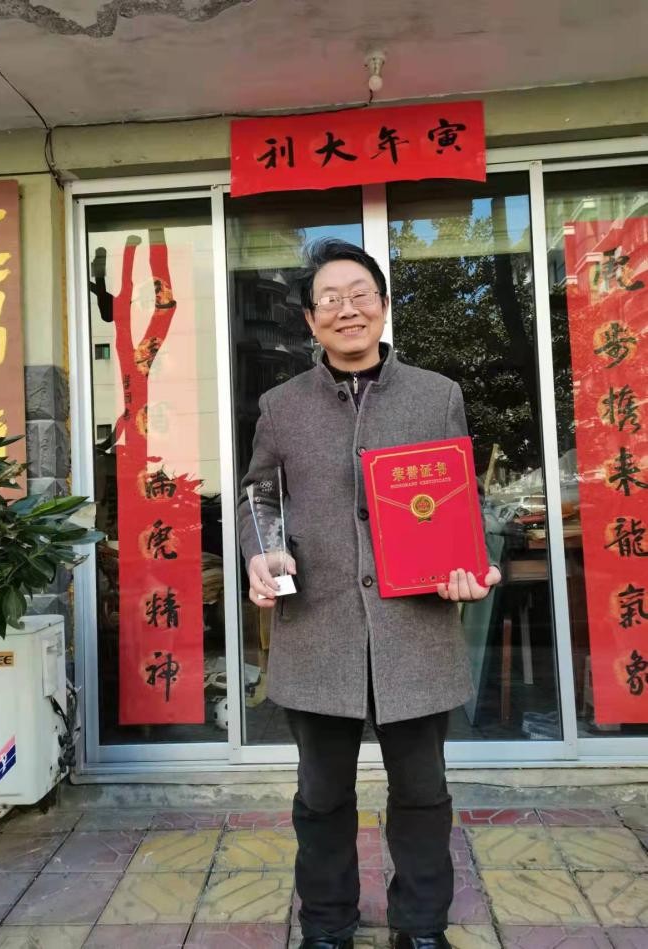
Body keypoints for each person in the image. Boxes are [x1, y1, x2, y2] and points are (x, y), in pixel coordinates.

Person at [237, 239, 501, 949]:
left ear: (383, 306)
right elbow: (259, 495)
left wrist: (468, 564)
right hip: (318, 628)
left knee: (422, 793)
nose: (346, 309)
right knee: (321, 796)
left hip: (414, 629)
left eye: (360, 294)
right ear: (309, 318)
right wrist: (263, 550)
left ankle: (420, 925)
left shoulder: (436, 395)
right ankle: (326, 925)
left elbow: (457, 497)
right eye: (330, 298)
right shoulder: (281, 405)